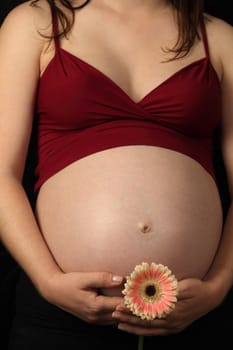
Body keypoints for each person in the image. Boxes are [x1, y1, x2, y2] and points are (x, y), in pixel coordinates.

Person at [0, 0, 233, 348]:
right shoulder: (38, 22)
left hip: (191, 317)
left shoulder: (219, 37)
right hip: (60, 313)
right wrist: (46, 280)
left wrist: (218, 287)